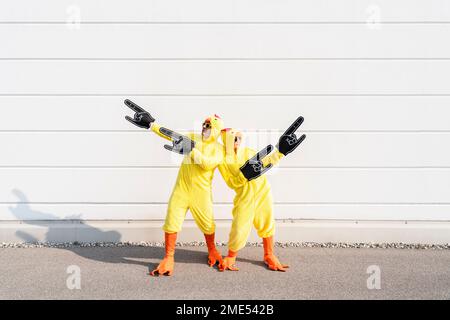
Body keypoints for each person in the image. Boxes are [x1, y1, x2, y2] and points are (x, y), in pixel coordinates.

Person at [125, 99, 225, 276]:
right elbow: (171, 135)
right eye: (204, 124)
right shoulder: (193, 137)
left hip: (201, 194)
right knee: (171, 221)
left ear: (216, 130)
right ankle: (168, 257)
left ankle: (212, 250)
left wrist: (191, 150)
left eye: (208, 125)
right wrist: (151, 125)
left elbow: (208, 165)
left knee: (208, 224)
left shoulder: (219, 149)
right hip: (181, 190)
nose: (204, 127)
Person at [218, 117, 305, 272]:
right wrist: (244, 175)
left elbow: (266, 162)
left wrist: (281, 152)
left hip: (262, 192)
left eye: (238, 137)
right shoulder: (224, 160)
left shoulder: (248, 152)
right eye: (233, 138)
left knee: (267, 223)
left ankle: (269, 254)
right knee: (239, 227)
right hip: (245, 197)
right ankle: (231, 256)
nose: (236, 140)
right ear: (226, 141)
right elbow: (231, 182)